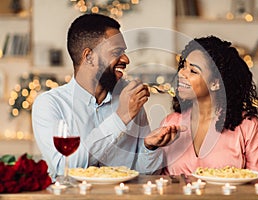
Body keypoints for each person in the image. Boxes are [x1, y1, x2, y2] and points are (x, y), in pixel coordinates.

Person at [32, 13, 183, 179]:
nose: (126, 59)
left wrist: (149, 147)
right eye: (116, 52)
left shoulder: (130, 98)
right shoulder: (50, 104)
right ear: (89, 57)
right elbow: (63, 169)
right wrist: (120, 118)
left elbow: (144, 174)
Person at [160, 35, 258, 176]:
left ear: (215, 83)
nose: (181, 73)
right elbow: (160, 180)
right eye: (183, 66)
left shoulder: (248, 127)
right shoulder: (171, 123)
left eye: (193, 71)